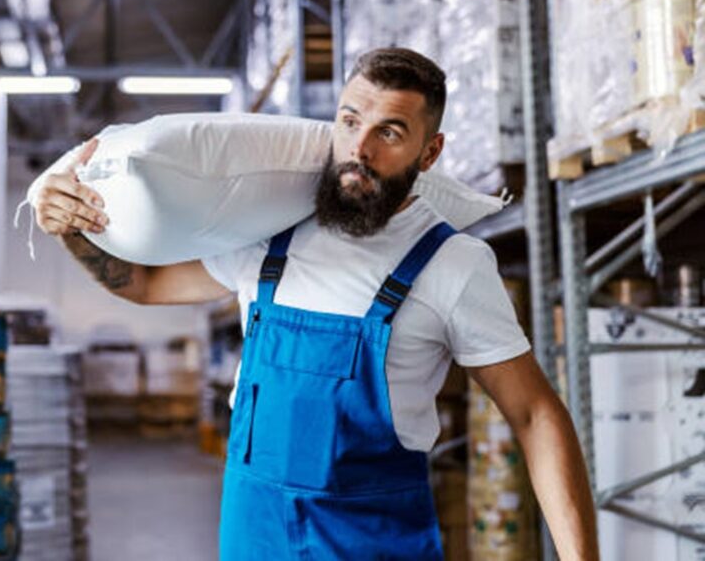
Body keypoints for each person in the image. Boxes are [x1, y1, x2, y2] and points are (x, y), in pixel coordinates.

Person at [32, 47, 599, 560]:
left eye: (390, 133)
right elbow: (145, 285)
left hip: (371, 544)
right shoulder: (269, 231)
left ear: (430, 154)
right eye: (350, 121)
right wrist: (72, 229)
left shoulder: (451, 264)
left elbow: (534, 414)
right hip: (253, 541)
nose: (360, 149)